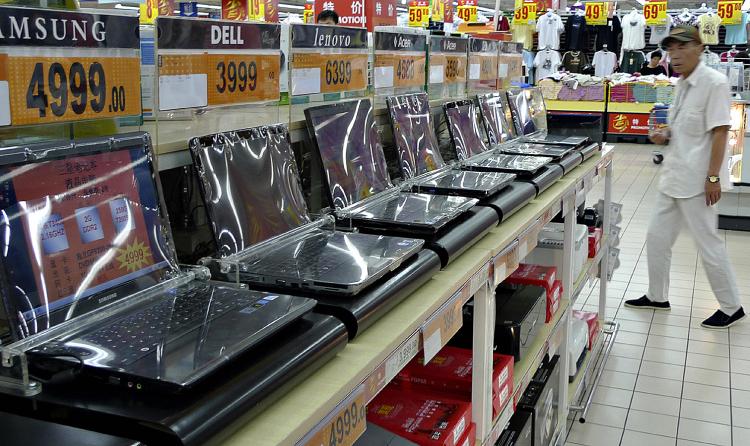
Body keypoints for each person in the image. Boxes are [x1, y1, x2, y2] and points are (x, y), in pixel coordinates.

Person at [625, 25, 745, 329]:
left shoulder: (714, 83)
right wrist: (664, 134)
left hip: (698, 182)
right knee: (656, 238)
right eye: (671, 49)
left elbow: (720, 131)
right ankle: (657, 295)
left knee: (708, 244)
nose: (675, 55)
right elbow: (681, 128)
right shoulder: (681, 84)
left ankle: (732, 307)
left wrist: (714, 178)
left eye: (681, 47)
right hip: (674, 175)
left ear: (699, 48)